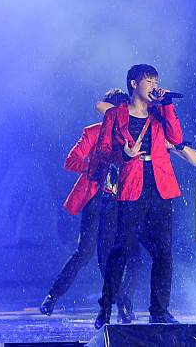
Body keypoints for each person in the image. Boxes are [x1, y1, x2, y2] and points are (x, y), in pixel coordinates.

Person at [93, 64, 185, 328]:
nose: (154, 85)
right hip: (132, 185)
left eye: (156, 80)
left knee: (164, 251)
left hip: (160, 186)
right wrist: (124, 155)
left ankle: (160, 310)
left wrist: (167, 105)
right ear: (134, 84)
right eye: (148, 81)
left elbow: (176, 138)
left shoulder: (159, 112)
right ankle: (105, 308)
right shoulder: (116, 115)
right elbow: (103, 151)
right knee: (121, 249)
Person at [40, 89, 142, 324]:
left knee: (118, 257)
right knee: (86, 253)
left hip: (120, 202)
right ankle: (52, 296)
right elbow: (71, 161)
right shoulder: (93, 132)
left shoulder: (130, 136)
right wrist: (95, 165)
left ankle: (119, 304)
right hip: (96, 199)